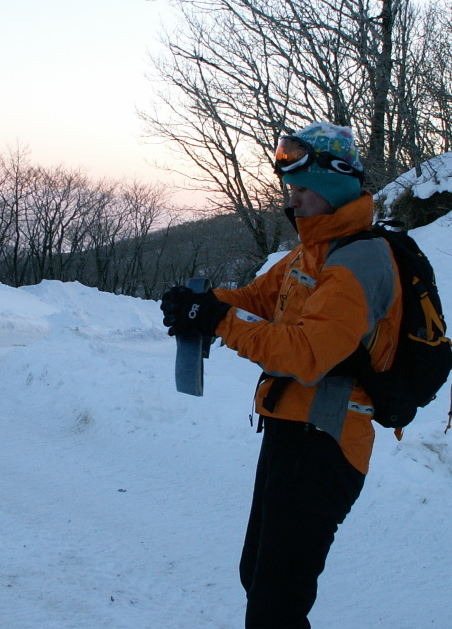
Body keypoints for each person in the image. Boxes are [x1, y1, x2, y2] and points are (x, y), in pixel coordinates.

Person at [161, 121, 402, 629]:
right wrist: (204, 303)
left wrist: (219, 322)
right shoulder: (310, 253)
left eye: (301, 191)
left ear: (333, 186)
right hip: (291, 428)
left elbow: (307, 353)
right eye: (290, 191)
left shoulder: (360, 262)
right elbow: (256, 300)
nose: (291, 203)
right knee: (259, 578)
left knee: (277, 601)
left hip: (327, 440)